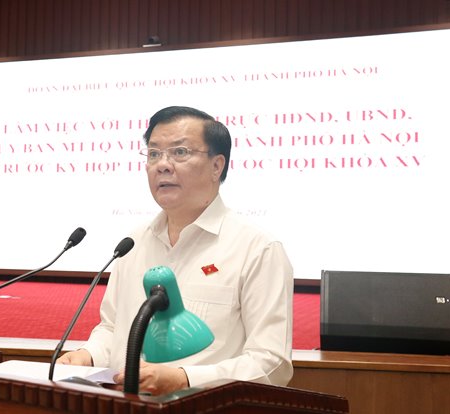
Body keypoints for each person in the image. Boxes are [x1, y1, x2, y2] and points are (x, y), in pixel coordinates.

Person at [58, 106, 294, 395]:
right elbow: (112, 329)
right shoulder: (133, 244)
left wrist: (185, 378)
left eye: (180, 152)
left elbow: (271, 363)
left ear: (217, 166)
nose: (163, 165)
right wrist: (88, 355)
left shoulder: (257, 249)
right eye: (154, 153)